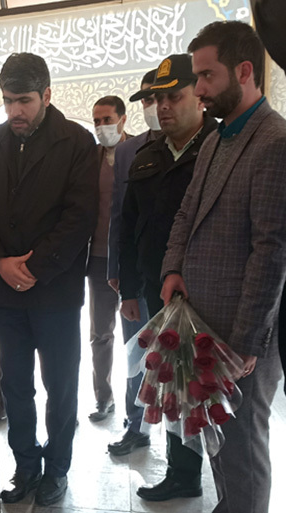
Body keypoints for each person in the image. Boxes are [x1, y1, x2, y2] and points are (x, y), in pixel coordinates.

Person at [161, 22, 286, 513]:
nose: (199, 90)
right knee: (214, 433)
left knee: (243, 443)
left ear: (245, 71)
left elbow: (271, 250)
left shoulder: (274, 141)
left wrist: (248, 340)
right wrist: (172, 268)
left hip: (241, 332)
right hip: (201, 324)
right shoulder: (216, 140)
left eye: (207, 76)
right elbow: (186, 212)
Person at [0, 53, 99, 506]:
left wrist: (34, 268)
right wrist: (0, 263)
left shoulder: (76, 141)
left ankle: (56, 469)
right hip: (5, 291)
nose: (15, 111)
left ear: (46, 94)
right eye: (8, 101)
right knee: (16, 385)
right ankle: (25, 465)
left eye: (24, 100)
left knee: (60, 385)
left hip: (56, 290)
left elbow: (79, 217)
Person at [119, 54, 214, 500]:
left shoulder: (219, 147)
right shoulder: (147, 156)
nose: (163, 107)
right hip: (157, 291)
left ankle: (228, 480)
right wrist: (128, 289)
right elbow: (128, 226)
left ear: (200, 95)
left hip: (208, 290)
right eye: (157, 99)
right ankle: (183, 473)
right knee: (173, 385)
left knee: (210, 385)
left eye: (174, 97)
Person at [106, 68, 161, 455]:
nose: (156, 106)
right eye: (148, 99)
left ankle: (185, 443)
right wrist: (117, 272)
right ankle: (136, 425)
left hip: (187, 280)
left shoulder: (208, 142)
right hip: (137, 278)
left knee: (181, 361)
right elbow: (119, 216)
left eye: (164, 97)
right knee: (136, 354)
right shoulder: (128, 152)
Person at [87, 95, 132, 422]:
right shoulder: (92, 158)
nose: (102, 127)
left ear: (123, 119)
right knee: (100, 333)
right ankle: (104, 397)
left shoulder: (142, 152)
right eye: (97, 121)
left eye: (107, 120)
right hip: (98, 259)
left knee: (137, 335)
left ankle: (140, 407)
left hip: (131, 260)